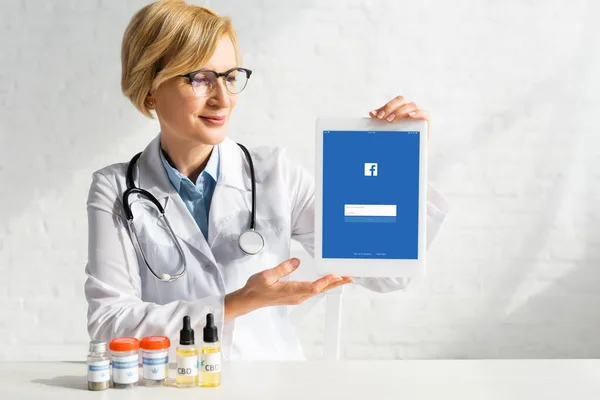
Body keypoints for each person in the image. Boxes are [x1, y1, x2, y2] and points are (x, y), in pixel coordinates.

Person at [84, 0, 449, 361]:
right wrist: (236, 304)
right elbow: (109, 323)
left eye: (229, 77)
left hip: (270, 382)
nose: (223, 99)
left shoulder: (275, 174)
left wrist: (403, 164)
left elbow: (385, 275)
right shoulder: (115, 189)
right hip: (175, 385)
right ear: (149, 88)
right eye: (200, 78)